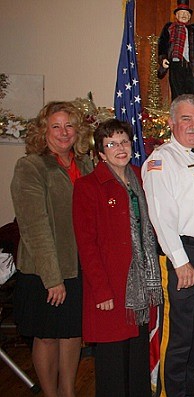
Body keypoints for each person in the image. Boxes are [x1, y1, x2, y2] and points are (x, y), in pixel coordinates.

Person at [72, 119, 162, 397]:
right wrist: (101, 290)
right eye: (111, 144)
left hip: (140, 289)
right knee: (113, 362)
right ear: (100, 152)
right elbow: (86, 245)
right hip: (112, 288)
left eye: (124, 141)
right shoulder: (88, 186)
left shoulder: (141, 177)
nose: (119, 148)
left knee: (137, 359)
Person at [142, 94, 194, 397]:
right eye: (186, 119)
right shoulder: (162, 161)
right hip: (183, 257)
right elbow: (161, 217)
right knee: (178, 336)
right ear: (172, 122)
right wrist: (180, 261)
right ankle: (172, 392)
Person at [10, 101, 93, 397]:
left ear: (78, 130)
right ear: (43, 131)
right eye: (55, 126)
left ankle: (67, 392)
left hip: (77, 265)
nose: (63, 132)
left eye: (69, 125)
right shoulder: (30, 166)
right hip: (44, 270)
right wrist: (52, 278)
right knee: (46, 337)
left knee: (72, 333)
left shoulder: (85, 164)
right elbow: (34, 227)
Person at [158, 0, 194, 100]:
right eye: (181, 13)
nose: (184, 15)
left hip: (192, 66)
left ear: (190, 16)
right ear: (176, 15)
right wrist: (163, 59)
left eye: (186, 13)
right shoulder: (170, 28)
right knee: (177, 94)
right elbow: (162, 44)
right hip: (176, 65)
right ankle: (178, 114)